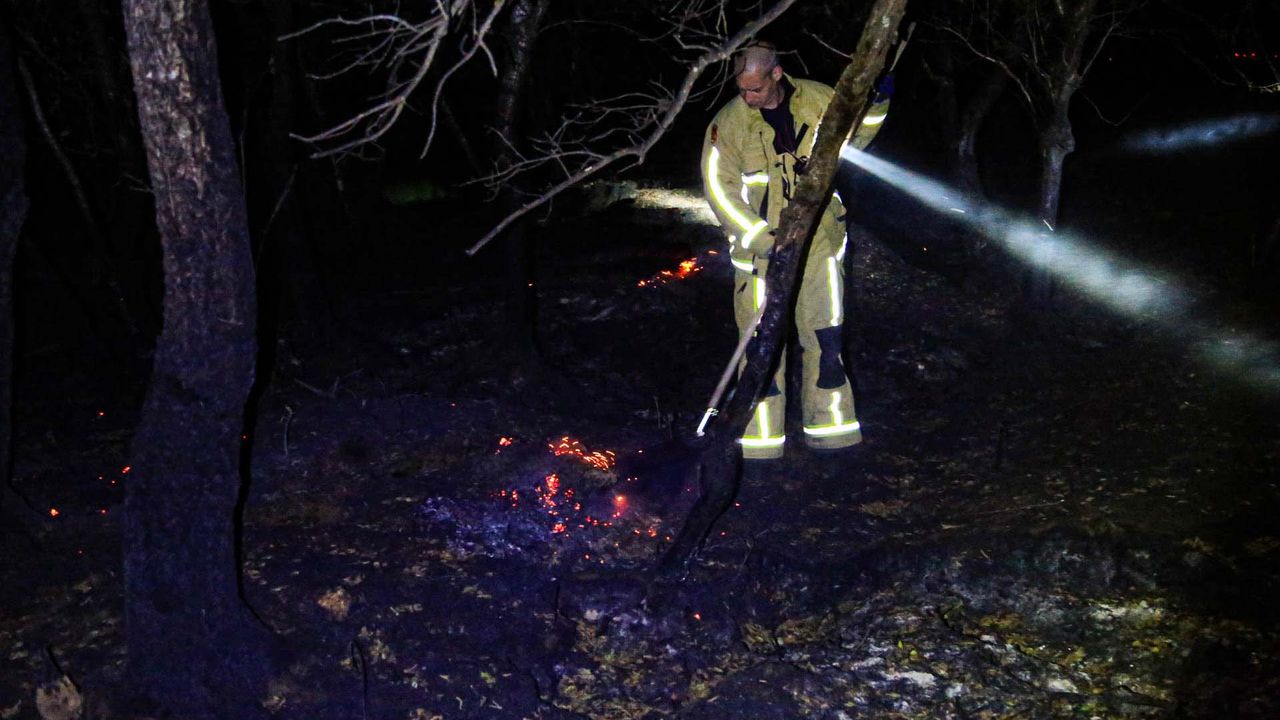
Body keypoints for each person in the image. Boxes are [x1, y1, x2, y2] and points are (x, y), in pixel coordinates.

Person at [700, 42, 889, 460]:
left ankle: (833, 435)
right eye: (742, 89)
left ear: (776, 74)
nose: (747, 98)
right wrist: (762, 237)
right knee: (761, 347)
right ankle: (761, 447)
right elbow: (719, 189)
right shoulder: (728, 124)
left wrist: (878, 101)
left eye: (755, 89)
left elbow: (856, 134)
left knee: (826, 335)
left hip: (820, 241)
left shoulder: (820, 99)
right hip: (759, 257)